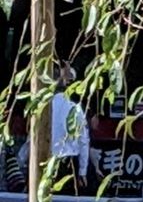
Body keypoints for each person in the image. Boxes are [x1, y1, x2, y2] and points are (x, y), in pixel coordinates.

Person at [18, 63, 90, 193]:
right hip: (67, 165)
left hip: (43, 159)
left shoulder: (41, 107)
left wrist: (21, 161)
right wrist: (82, 172)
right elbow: (83, 141)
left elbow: (32, 139)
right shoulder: (75, 109)